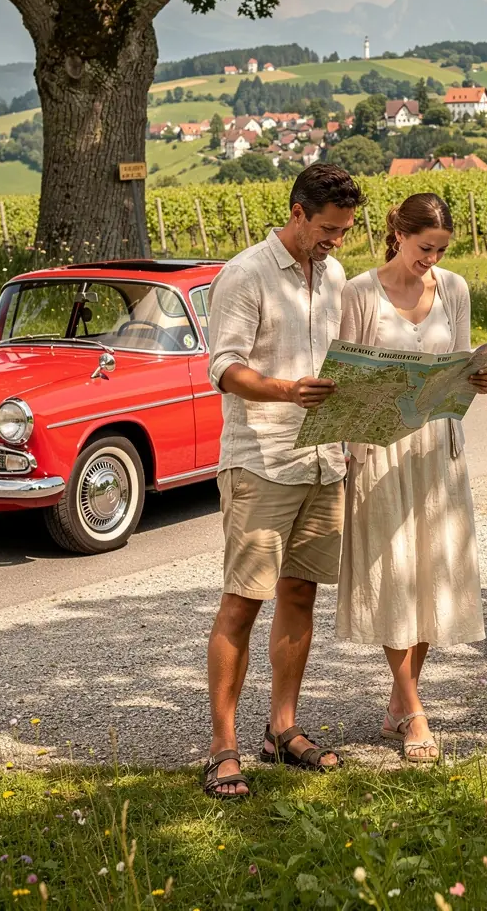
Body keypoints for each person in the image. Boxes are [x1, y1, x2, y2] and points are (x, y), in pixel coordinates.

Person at [203, 164, 365, 798]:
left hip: (324, 457)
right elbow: (223, 368)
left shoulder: (334, 274)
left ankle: (281, 729)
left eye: (345, 230)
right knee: (243, 601)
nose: (336, 240)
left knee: (301, 595)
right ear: (298, 213)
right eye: (328, 228)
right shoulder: (245, 273)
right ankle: (223, 746)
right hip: (262, 458)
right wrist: (286, 392)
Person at [336, 193, 487, 763]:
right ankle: (414, 711)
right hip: (379, 449)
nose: (431, 258)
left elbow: (459, 367)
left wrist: (476, 380)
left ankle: (401, 700)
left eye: (440, 250)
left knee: (428, 572)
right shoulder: (357, 292)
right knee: (393, 572)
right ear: (398, 234)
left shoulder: (453, 289)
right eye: (424, 247)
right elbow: (342, 377)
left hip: (437, 448)